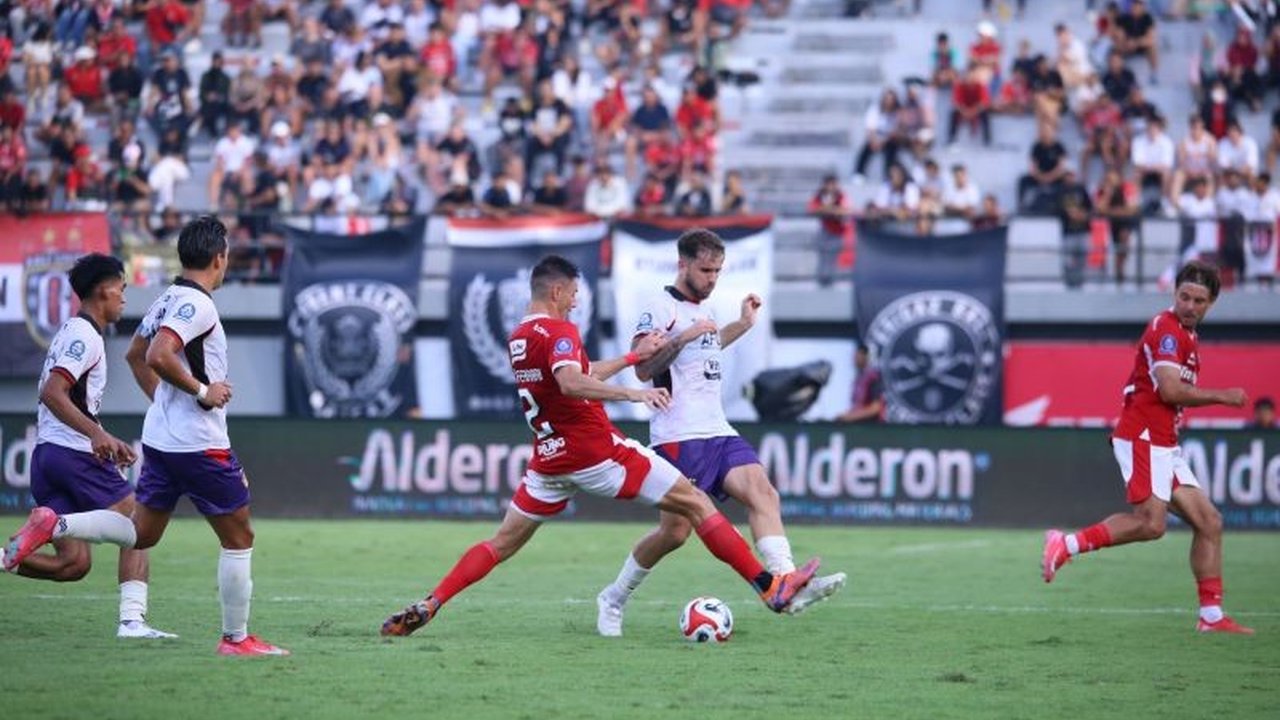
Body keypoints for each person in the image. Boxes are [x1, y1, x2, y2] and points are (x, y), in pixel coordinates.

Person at [381, 255, 823, 637]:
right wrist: (635, 393)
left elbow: (582, 369)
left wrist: (632, 359)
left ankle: (432, 602)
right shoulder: (561, 331)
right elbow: (572, 381)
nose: (575, 301)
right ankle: (769, 585)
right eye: (573, 293)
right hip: (597, 452)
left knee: (501, 544)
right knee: (697, 503)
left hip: (549, 461)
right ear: (556, 290)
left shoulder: (520, 337)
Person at [4, 217, 290, 655]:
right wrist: (201, 392)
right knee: (239, 536)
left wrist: (166, 405)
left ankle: (56, 523)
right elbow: (156, 355)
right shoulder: (199, 305)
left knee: (140, 533)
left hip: (161, 439)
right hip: (199, 442)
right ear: (219, 257)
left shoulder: (166, 299)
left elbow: (138, 355)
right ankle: (236, 639)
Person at [595, 231, 847, 637]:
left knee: (764, 493)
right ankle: (613, 597)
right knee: (673, 534)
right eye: (706, 269)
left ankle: (785, 581)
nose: (713, 278)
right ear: (683, 265)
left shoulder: (704, 307)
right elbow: (642, 368)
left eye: (718, 271)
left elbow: (706, 346)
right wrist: (681, 337)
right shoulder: (660, 308)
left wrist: (743, 325)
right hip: (678, 436)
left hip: (718, 428)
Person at [1042, 261, 1253, 635]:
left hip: (1164, 442)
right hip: (1143, 435)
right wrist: (1223, 396)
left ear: (1212, 303)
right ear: (1174, 294)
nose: (1189, 305)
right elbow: (1170, 390)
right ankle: (1066, 543)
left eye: (1198, 300)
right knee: (1151, 525)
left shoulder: (1188, 336)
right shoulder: (1167, 331)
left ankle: (1212, 616)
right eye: (1184, 296)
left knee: (1209, 522)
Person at [1, 254, 175, 640]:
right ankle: (132, 622)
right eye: (122, 288)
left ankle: (4, 558)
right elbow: (53, 393)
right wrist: (95, 436)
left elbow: (70, 401)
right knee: (140, 527)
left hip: (49, 455)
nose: (125, 297)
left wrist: (103, 436)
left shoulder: (72, 332)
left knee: (73, 564)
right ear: (102, 290)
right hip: (70, 454)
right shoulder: (84, 335)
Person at [836, 344, 883, 423]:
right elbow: (857, 406)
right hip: (857, 425)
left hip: (871, 427)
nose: (854, 358)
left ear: (867, 357)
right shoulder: (859, 379)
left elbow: (875, 408)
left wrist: (851, 417)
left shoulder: (873, 378)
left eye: (858, 355)